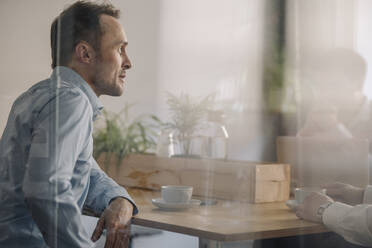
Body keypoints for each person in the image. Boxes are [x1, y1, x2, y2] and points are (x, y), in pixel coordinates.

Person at [0, 1, 137, 247]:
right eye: (120, 49)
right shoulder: (71, 101)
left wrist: (118, 198)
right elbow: (46, 191)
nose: (128, 62)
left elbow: (83, 168)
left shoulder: (34, 96)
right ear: (84, 53)